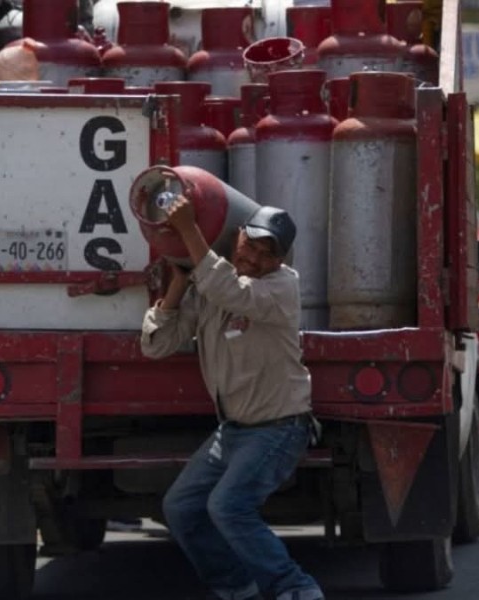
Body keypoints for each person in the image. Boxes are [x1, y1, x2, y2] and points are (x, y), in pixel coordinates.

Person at [140, 197, 324, 600]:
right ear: (237, 236)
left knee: (228, 507)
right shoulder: (211, 287)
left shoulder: (281, 287)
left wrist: (188, 230)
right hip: (235, 430)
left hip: (279, 427)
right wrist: (178, 283)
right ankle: (235, 587)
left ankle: (295, 587)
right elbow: (158, 345)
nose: (255, 257)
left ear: (280, 260)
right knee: (182, 508)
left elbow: (231, 291)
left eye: (266, 253)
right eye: (250, 244)